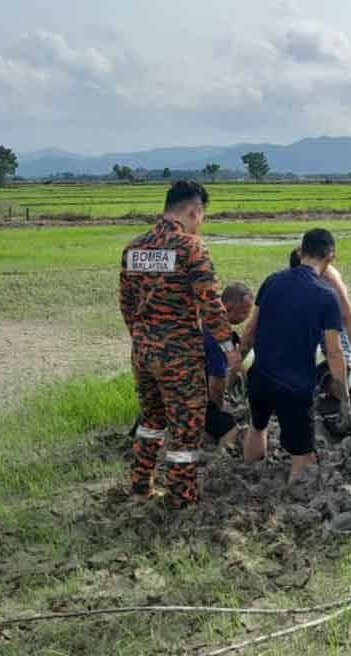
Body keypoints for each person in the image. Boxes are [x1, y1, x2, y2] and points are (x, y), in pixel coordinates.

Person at [119, 180, 241, 509]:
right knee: (186, 431)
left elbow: (127, 305)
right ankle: (180, 498)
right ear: (194, 210)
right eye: (201, 216)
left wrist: (145, 339)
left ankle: (141, 483)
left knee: (151, 420)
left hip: (143, 351)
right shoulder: (191, 248)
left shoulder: (134, 249)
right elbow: (210, 305)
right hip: (180, 356)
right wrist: (229, 349)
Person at [242, 229, 350, 483]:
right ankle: (293, 501)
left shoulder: (272, 281)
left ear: (301, 252)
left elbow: (250, 329)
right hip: (295, 385)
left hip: (260, 376)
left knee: (257, 427)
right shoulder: (326, 296)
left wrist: (238, 360)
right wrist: (344, 394)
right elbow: (333, 352)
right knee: (302, 454)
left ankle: (246, 477)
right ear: (331, 256)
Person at [288, 247, 351, 390]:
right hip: (304, 315)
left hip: (329, 315)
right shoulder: (288, 280)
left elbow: (349, 320)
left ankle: (337, 390)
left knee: (342, 360)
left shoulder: (331, 281)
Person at [202, 282, 254, 449]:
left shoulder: (204, 320)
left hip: (173, 392)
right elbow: (216, 382)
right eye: (246, 311)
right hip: (191, 401)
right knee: (231, 426)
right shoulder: (219, 336)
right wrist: (219, 408)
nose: (247, 316)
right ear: (229, 307)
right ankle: (221, 462)